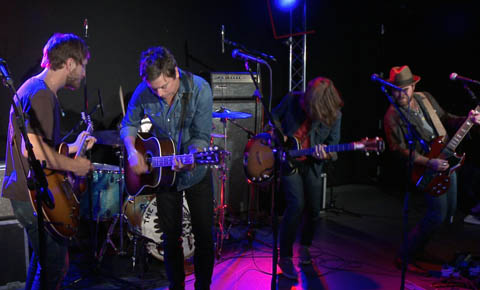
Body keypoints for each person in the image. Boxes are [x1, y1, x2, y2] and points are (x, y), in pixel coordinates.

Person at [1, 33, 95, 289]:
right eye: (83, 65)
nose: (84, 73)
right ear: (70, 64)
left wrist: (73, 146)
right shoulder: (42, 94)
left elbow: (38, 146)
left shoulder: (32, 87)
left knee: (44, 265)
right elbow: (34, 151)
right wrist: (76, 165)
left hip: (24, 196)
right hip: (33, 198)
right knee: (55, 268)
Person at [120, 46, 214, 289]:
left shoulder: (200, 89)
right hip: (163, 177)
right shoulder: (145, 91)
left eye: (164, 86)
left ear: (176, 74)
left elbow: (202, 137)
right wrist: (132, 151)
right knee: (170, 238)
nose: (160, 93)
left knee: (204, 236)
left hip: (196, 174)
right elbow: (128, 124)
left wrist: (193, 155)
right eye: (155, 89)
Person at [383, 65, 480, 274]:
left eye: (405, 89)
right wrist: (428, 163)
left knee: (448, 213)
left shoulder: (425, 98)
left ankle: (419, 249)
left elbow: (445, 118)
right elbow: (398, 151)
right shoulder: (393, 115)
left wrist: (468, 120)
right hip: (426, 167)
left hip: (447, 158)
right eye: (396, 89)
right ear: (390, 89)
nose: (401, 94)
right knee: (436, 214)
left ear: (413, 86)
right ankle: (406, 253)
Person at [273, 77, 343, 279]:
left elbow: (334, 145)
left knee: (313, 209)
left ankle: (304, 247)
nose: (305, 106)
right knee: (295, 205)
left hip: (312, 164)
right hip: (288, 161)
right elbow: (274, 117)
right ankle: (284, 257)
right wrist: (280, 136)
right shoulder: (292, 99)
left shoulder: (335, 115)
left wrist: (326, 153)